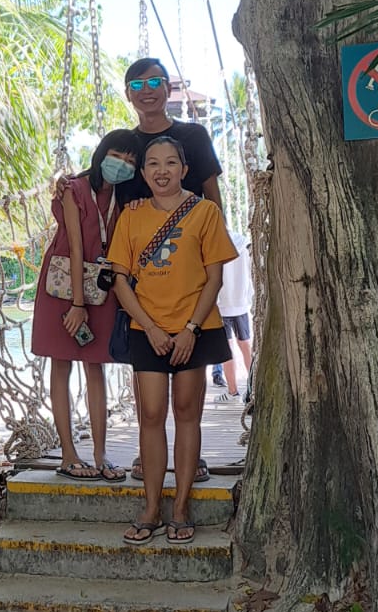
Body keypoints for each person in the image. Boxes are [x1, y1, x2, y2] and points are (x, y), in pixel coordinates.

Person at [107, 136, 237, 544]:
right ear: (143, 173)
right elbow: (120, 280)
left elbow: (214, 277)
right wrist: (152, 326)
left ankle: (180, 506)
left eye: (170, 163)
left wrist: (189, 330)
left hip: (196, 329)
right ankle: (150, 507)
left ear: (184, 170)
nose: (161, 171)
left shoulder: (205, 212)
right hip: (148, 329)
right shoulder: (131, 215)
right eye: (152, 164)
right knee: (149, 415)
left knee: (186, 414)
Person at [30, 131, 140, 480]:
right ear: (101, 153)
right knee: (61, 365)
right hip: (64, 287)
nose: (121, 165)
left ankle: (101, 453)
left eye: (130, 161)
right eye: (116, 155)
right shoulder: (73, 189)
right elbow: (75, 247)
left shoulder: (122, 199)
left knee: (97, 367)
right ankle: (67, 454)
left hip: (100, 289)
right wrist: (77, 304)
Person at [114, 57, 223, 211]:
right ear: (127, 94)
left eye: (154, 82)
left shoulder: (195, 135)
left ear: (169, 89)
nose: (146, 90)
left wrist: (220, 232)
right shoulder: (123, 145)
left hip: (193, 232)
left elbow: (213, 196)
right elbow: (98, 183)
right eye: (137, 84)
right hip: (136, 232)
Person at [213, 225, 254, 403]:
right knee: (245, 345)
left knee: (226, 347)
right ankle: (253, 388)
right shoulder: (243, 243)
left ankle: (233, 391)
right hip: (241, 301)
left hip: (221, 303)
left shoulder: (213, 244)